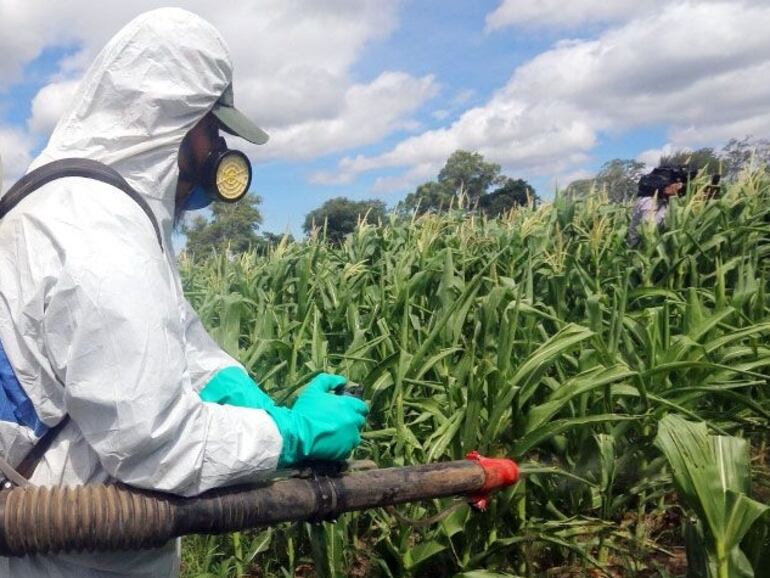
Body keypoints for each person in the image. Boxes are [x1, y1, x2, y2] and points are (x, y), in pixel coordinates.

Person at [0, 8, 368, 577]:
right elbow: (155, 444)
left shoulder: (76, 202)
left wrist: (237, 390)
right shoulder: (100, 237)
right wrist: (290, 436)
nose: (217, 149)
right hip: (70, 554)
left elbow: (176, 330)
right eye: (213, 130)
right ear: (177, 121)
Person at [627, 165, 686, 247]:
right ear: (667, 185)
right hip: (641, 248)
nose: (679, 186)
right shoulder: (649, 202)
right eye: (677, 184)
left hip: (653, 247)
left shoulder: (662, 200)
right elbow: (649, 229)